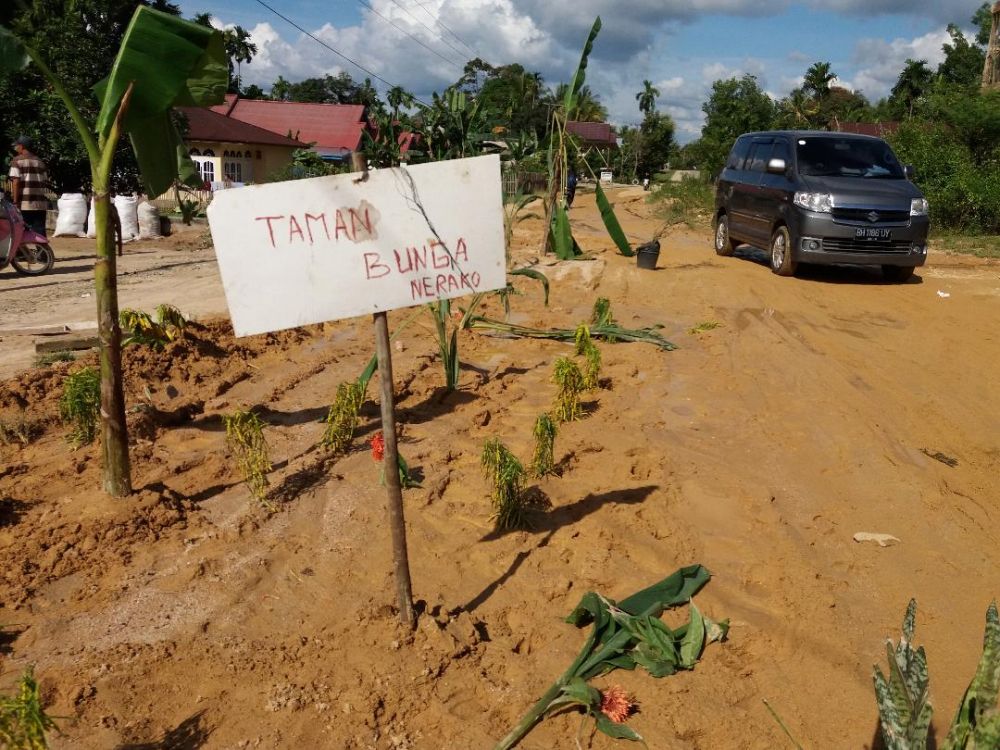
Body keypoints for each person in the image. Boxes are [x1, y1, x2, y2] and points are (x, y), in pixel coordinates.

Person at [8, 136, 50, 235]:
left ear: (21, 146)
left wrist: (15, 201)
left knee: (23, 232)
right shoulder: (40, 161)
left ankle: (24, 251)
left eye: (17, 145)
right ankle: (43, 250)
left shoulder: (16, 161)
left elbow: (16, 182)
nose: (16, 147)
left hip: (25, 204)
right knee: (39, 232)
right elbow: (44, 182)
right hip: (40, 204)